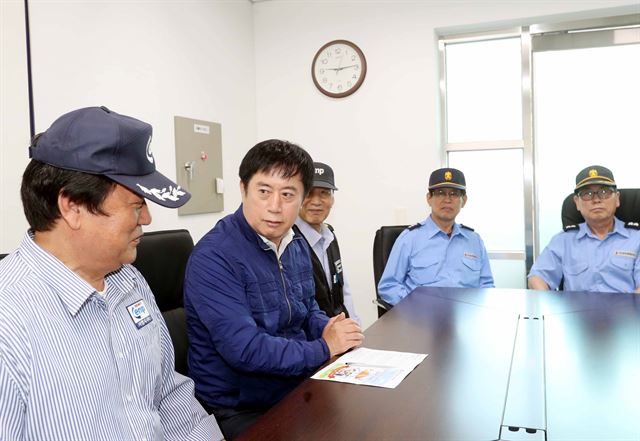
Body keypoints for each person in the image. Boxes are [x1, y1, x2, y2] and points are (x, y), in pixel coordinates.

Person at [0, 106, 223, 440]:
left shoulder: (129, 281)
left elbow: (167, 394)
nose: (147, 219)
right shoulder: (9, 319)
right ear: (73, 206)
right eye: (136, 205)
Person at [184, 140, 364, 440]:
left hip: (293, 386)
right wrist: (325, 347)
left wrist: (334, 329)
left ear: (302, 198)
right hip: (240, 408)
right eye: (264, 191)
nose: (275, 207)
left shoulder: (294, 244)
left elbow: (307, 311)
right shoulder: (214, 257)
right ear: (243, 189)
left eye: (288, 194)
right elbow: (245, 349)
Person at [378, 167, 494, 306]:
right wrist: (416, 307)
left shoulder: (474, 240)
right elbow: (389, 286)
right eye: (440, 193)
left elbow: (486, 285)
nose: (447, 200)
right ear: (429, 198)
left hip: (466, 318)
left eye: (454, 194)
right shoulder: (409, 239)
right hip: (421, 321)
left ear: (464, 200)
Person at [528, 165, 640, 293]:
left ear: (617, 199)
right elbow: (537, 278)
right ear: (577, 202)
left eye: (604, 192)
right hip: (574, 312)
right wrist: (550, 305)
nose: (597, 200)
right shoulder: (563, 241)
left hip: (624, 311)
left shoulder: (637, 239)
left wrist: (630, 311)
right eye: (587, 194)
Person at [295, 162, 361, 324]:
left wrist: (355, 327)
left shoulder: (330, 236)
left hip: (340, 331)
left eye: (324, 193)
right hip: (313, 338)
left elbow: (343, 290)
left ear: (332, 200)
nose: (316, 201)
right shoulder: (288, 241)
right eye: (309, 193)